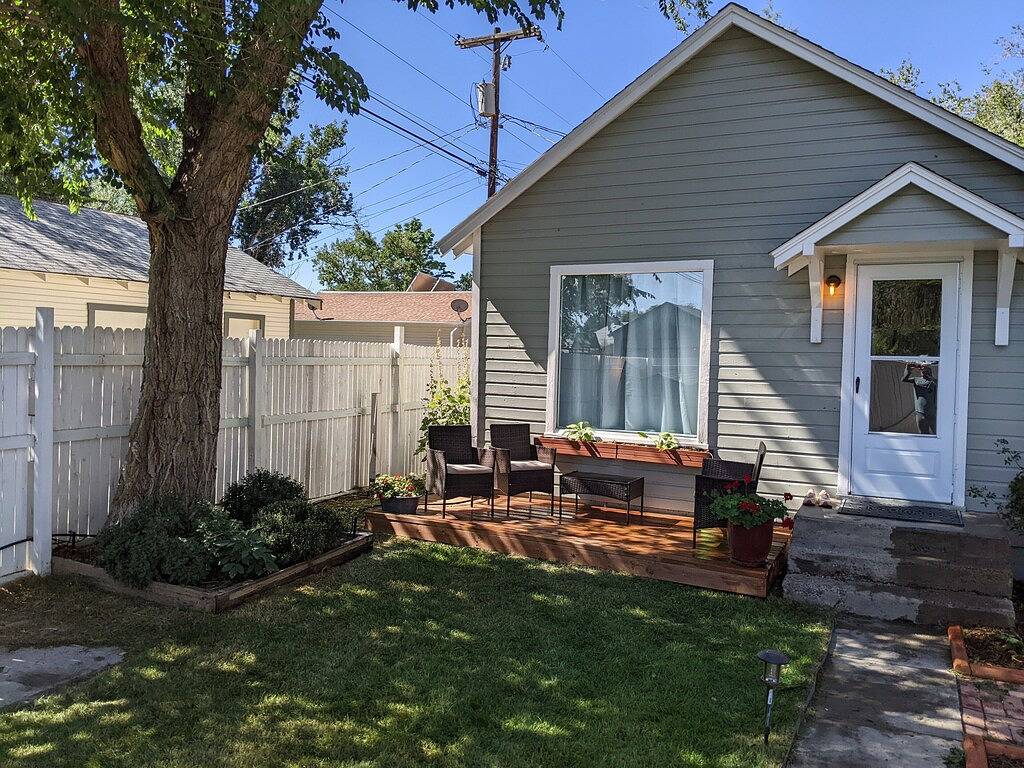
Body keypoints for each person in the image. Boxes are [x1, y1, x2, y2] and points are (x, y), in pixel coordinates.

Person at [902, 362, 937, 434]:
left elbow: (939, 385)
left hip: (932, 412)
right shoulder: (916, 379)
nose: (923, 372)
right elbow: (904, 379)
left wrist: (930, 376)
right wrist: (908, 369)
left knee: (936, 433)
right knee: (923, 433)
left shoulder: (933, 381)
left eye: (926, 371)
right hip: (920, 412)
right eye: (922, 371)